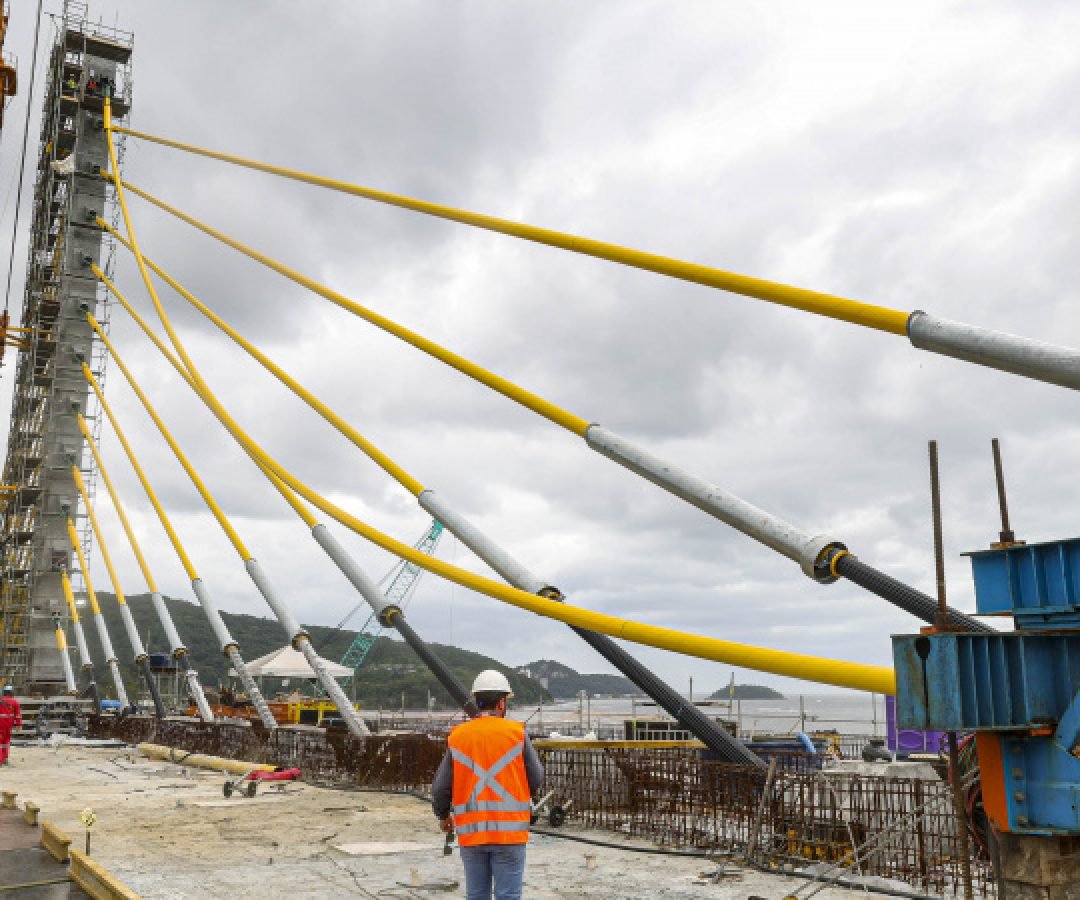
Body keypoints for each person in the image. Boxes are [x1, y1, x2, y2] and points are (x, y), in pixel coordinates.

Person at [432, 670, 543, 900]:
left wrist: (444, 816)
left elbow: (440, 788)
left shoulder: (459, 736)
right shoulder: (516, 734)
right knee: (508, 896)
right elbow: (536, 778)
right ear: (502, 702)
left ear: (476, 700)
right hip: (510, 835)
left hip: (472, 835)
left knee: (477, 895)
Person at [0, 686, 21, 765]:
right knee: (6, 743)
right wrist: (18, 725)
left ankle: (0, 761)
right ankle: (5, 759)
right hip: (8, 726)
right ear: (11, 692)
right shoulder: (15, 702)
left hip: (0, 725)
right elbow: (18, 715)